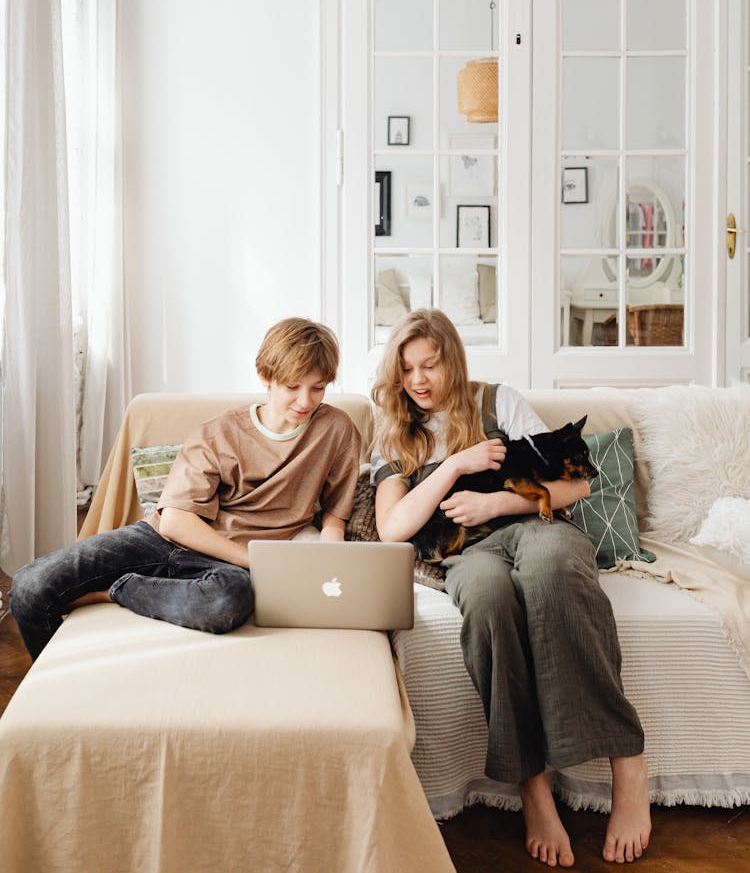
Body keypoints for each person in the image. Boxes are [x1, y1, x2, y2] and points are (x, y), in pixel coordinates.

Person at [371, 309, 651, 868]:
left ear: (454, 359)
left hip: (535, 526)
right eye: (407, 370)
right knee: (490, 601)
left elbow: (575, 484)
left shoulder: (499, 402)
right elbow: (392, 527)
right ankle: (533, 786)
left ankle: (628, 764)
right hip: (468, 552)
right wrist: (454, 466)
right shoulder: (395, 432)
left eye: (431, 364)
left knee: (553, 577)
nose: (419, 380)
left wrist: (500, 501)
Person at [11, 318, 361, 661]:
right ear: (266, 377)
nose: (305, 401)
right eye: (293, 387)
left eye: (318, 388)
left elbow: (335, 512)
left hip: (226, 567)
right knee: (29, 587)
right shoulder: (219, 433)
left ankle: (118, 590)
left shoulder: (336, 429)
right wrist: (258, 562)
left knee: (227, 603)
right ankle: (62, 694)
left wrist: (327, 558)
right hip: (160, 540)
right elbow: (175, 523)